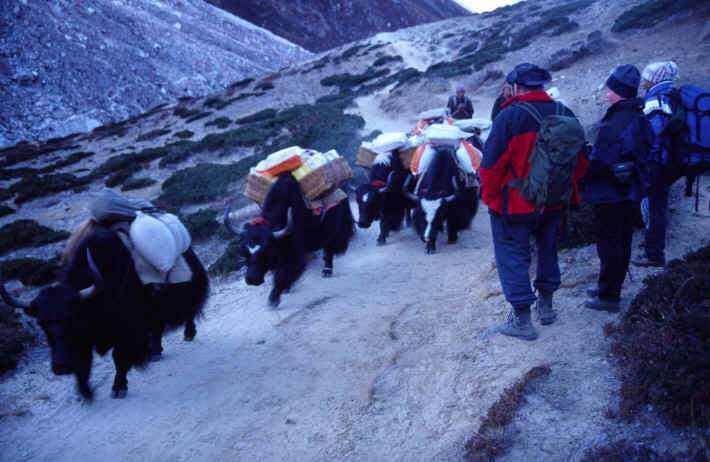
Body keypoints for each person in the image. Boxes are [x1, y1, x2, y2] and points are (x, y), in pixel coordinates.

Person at [480, 63, 588, 341]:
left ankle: (522, 320)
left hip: (514, 203)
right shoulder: (565, 112)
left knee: (512, 254)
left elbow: (491, 166)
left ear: (516, 86)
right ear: (542, 85)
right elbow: (581, 161)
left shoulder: (509, 117)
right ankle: (547, 307)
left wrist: (490, 198)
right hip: (554, 200)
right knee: (548, 248)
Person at [582, 65, 654, 312]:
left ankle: (609, 296)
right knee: (622, 241)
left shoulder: (616, 121)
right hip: (630, 189)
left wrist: (584, 168)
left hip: (610, 193)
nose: (606, 93)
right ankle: (609, 286)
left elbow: (602, 161)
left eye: (610, 89)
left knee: (609, 243)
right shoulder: (637, 114)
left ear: (619, 91)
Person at [632, 61, 681, 268]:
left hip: (657, 161)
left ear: (656, 78)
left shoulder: (654, 98)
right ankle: (654, 246)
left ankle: (654, 254)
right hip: (671, 159)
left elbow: (654, 132)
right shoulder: (673, 94)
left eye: (647, 77)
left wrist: (644, 157)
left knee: (654, 206)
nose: (643, 81)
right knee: (658, 204)